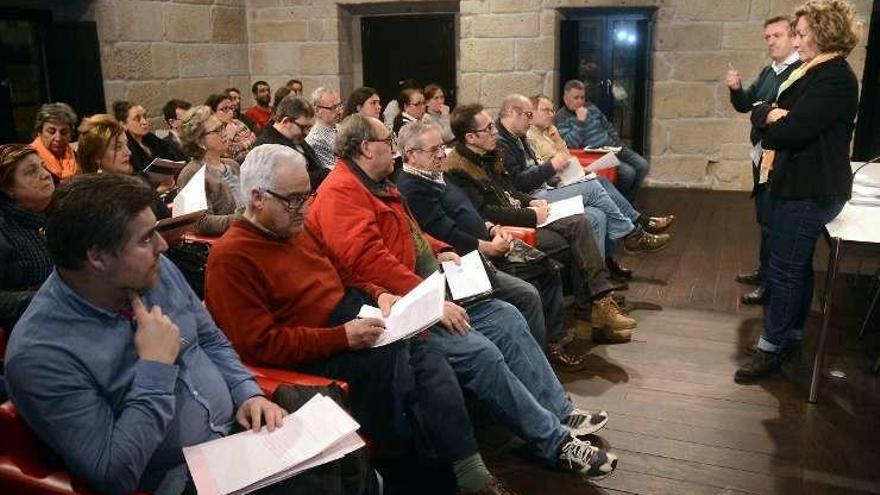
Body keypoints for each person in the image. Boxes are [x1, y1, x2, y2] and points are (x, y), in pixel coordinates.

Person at [308, 113, 620, 483]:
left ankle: (558, 409)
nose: (393, 150)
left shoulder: (376, 182)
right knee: (481, 352)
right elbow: (367, 261)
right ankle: (555, 443)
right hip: (398, 307)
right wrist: (430, 301)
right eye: (387, 143)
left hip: (429, 288)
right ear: (365, 148)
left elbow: (412, 233)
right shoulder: (343, 192)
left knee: (506, 315)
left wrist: (439, 249)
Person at [206, 144, 516, 494]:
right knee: (407, 368)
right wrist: (342, 337)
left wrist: (378, 293)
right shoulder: (231, 257)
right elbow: (259, 344)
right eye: (293, 200)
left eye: (306, 196)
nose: (304, 209)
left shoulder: (296, 227)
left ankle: (458, 470)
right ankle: (444, 473)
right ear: (257, 197)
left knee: (422, 353)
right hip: (317, 348)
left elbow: (344, 273)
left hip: (350, 317)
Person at [3, 174, 288, 494]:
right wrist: (155, 367)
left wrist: (245, 391)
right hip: (180, 478)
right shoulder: (41, 355)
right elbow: (114, 473)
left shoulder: (153, 271)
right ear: (98, 257)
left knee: (340, 458)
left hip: (242, 435)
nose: (163, 246)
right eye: (146, 238)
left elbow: (209, 338)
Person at [734, 0, 861, 382]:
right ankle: (790, 336)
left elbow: (791, 129)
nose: (797, 41)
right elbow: (763, 110)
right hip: (799, 182)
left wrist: (774, 115)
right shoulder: (814, 72)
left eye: (803, 34)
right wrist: (770, 112)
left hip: (811, 187)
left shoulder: (834, 77)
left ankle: (773, 345)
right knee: (795, 267)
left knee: (785, 270)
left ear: (824, 34)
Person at [396, 121, 584, 367]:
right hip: (464, 259)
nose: (442, 154)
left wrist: (493, 228)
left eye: (442, 148)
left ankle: (551, 345)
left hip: (486, 243)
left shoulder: (437, 174)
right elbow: (446, 232)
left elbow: (469, 212)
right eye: (435, 151)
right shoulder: (413, 187)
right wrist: (488, 247)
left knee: (547, 268)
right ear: (411, 154)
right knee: (527, 294)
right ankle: (534, 365)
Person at [443, 104, 636, 343]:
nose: (495, 131)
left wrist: (532, 202)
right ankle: (590, 318)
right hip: (505, 231)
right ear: (470, 137)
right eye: (489, 128)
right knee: (575, 238)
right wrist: (531, 215)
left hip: (521, 216)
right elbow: (483, 212)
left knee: (581, 223)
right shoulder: (457, 168)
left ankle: (598, 308)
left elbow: (510, 191)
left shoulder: (489, 153)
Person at [497, 94, 669, 262]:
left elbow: (560, 159)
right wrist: (553, 167)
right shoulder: (512, 139)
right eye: (530, 114)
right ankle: (633, 234)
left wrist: (557, 146)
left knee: (598, 213)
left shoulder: (521, 137)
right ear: (513, 113)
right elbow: (519, 182)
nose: (550, 114)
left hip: (548, 185)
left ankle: (604, 272)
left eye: (552, 110)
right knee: (597, 185)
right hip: (533, 198)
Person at [726, 16, 803, 307]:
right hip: (761, 154)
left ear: (794, 37)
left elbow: (783, 116)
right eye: (767, 37)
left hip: (779, 156)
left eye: (777, 35)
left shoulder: (800, 72)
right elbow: (748, 105)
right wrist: (736, 88)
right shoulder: (769, 71)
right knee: (764, 215)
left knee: (774, 219)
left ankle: (771, 284)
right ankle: (764, 270)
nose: (771, 41)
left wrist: (765, 110)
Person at [555, 80, 650, 201]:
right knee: (628, 173)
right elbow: (570, 144)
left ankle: (628, 201)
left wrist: (617, 141)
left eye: (582, 97)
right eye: (576, 98)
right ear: (565, 99)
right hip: (596, 155)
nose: (580, 101)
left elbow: (608, 126)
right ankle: (621, 204)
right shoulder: (561, 117)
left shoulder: (591, 107)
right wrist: (580, 122)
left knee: (643, 165)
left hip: (613, 146)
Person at [76, 114, 172, 220]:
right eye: (118, 147)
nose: (128, 152)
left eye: (127, 145)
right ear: (97, 156)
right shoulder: (90, 200)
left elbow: (166, 218)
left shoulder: (140, 181)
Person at [0, 144, 54, 331]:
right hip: (29, 329)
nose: (46, 175)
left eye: (43, 166)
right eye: (31, 172)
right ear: (8, 189)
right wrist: (50, 297)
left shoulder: (57, 211)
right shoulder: (4, 230)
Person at [177, 105, 242, 236]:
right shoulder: (191, 173)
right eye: (217, 130)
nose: (224, 133)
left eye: (223, 126)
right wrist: (245, 219)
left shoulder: (232, 165)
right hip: (222, 242)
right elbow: (200, 223)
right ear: (200, 141)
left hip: (244, 233)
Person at [253, 95, 330, 190]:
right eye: (303, 127)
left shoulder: (295, 138)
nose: (306, 133)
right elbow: (291, 182)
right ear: (285, 121)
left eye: (308, 128)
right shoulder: (266, 147)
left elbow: (316, 167)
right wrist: (328, 172)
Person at [113, 100, 186, 173]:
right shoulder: (125, 149)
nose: (144, 122)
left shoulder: (153, 139)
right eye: (137, 119)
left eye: (145, 116)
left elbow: (176, 157)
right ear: (123, 124)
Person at [29, 102, 78, 181]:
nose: (58, 138)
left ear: (71, 135)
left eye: (64, 132)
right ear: (39, 132)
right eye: (51, 132)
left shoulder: (78, 157)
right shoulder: (29, 161)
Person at [205, 93, 256, 163]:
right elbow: (220, 157)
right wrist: (229, 138)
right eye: (225, 109)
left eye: (231, 108)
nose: (230, 112)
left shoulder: (238, 123)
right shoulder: (210, 131)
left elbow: (254, 141)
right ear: (212, 112)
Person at [305, 86, 343, 169]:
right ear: (317, 111)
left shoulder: (340, 128)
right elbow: (333, 171)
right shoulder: (316, 141)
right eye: (333, 108)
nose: (340, 111)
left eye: (339, 105)